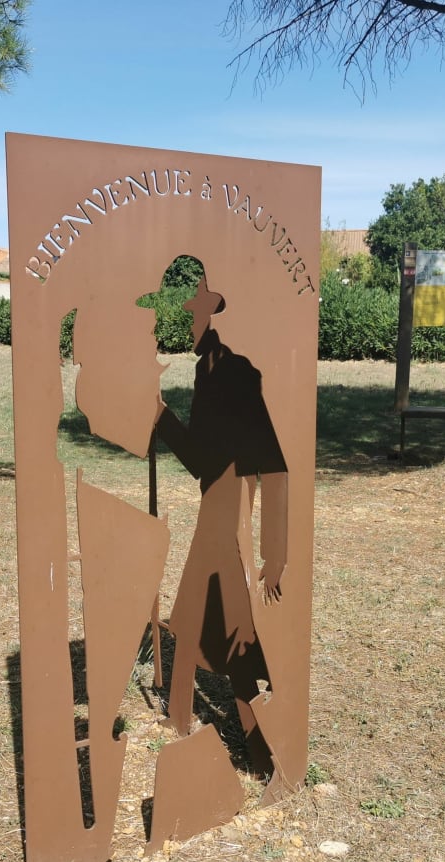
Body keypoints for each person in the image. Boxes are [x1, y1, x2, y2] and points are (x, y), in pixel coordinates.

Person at [153, 275, 289, 774]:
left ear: (215, 316)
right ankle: (179, 719)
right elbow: (202, 460)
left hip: (230, 517)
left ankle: (264, 752)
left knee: (235, 636)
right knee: (191, 622)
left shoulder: (237, 372)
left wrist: (275, 554)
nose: (191, 322)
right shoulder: (206, 370)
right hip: (213, 509)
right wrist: (160, 415)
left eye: (196, 313)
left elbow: (274, 464)